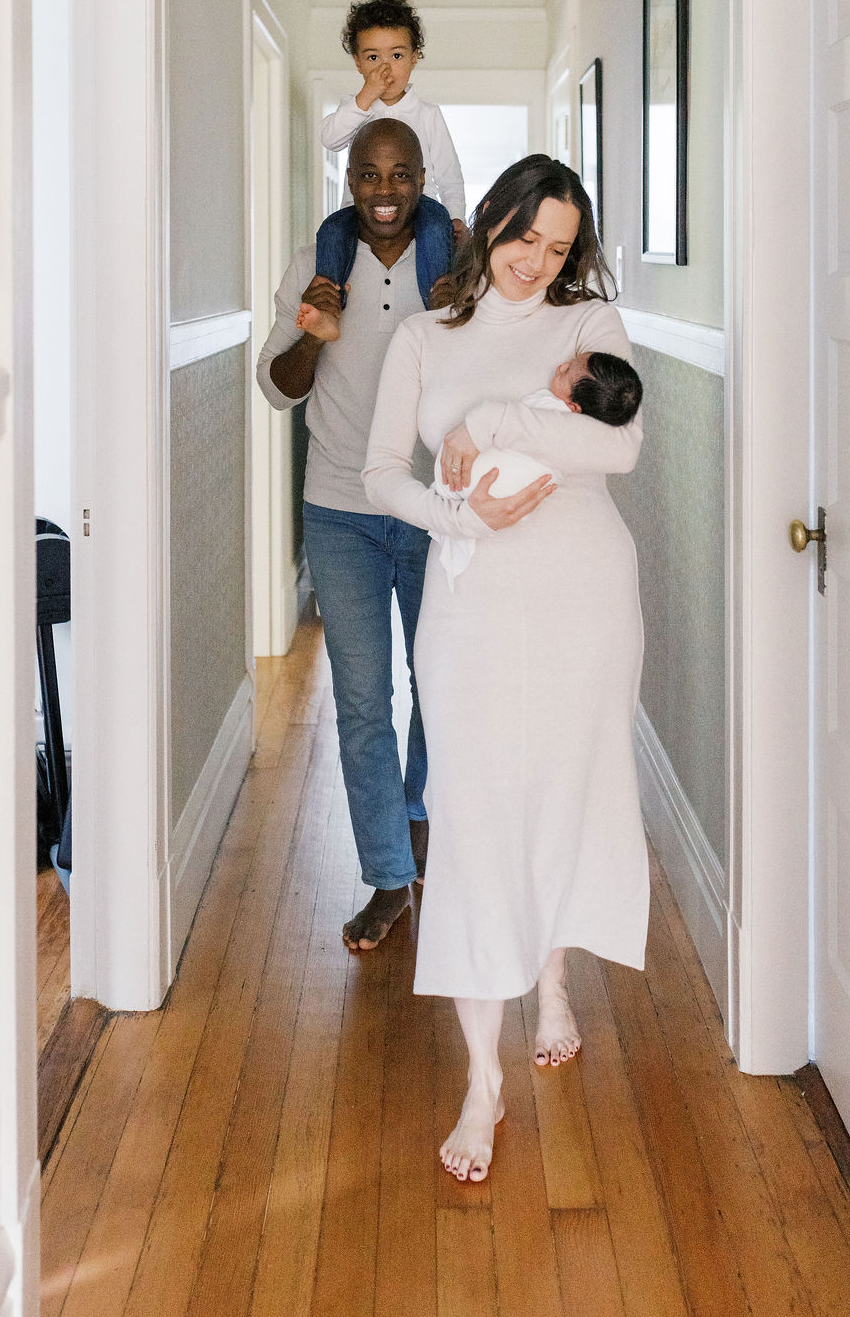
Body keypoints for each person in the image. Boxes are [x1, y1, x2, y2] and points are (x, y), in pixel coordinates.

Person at [363, 155, 649, 1182]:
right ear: (490, 219)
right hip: (471, 599)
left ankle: (553, 976)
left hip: (583, 597)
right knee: (474, 814)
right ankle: (483, 1080)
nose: (537, 263)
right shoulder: (421, 337)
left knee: (565, 794)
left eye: (560, 248)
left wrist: (488, 424)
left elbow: (617, 449)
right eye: (525, 237)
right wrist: (458, 517)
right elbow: (376, 473)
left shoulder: (589, 324)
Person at [257, 118, 438, 952]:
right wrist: (314, 333)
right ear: (350, 180)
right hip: (340, 513)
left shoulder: (453, 264)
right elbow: (276, 387)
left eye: (401, 174)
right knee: (364, 702)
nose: (385, 191)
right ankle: (388, 876)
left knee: (440, 684)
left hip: (435, 510)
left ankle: (417, 810)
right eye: (369, 173)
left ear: (422, 179)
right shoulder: (318, 264)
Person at [431, 351, 643, 588]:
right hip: (487, 509)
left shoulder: (548, 407)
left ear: (574, 408)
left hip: (467, 484)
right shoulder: (589, 437)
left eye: (567, 370)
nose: (561, 366)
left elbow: (626, 454)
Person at [320, 0, 467, 239]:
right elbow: (330, 139)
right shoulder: (354, 106)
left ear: (414, 58)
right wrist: (367, 95)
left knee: (436, 231)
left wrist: (456, 216)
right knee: (331, 232)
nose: (384, 68)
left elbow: (449, 174)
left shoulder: (428, 114)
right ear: (358, 62)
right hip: (361, 207)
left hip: (421, 206)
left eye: (396, 55)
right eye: (373, 57)